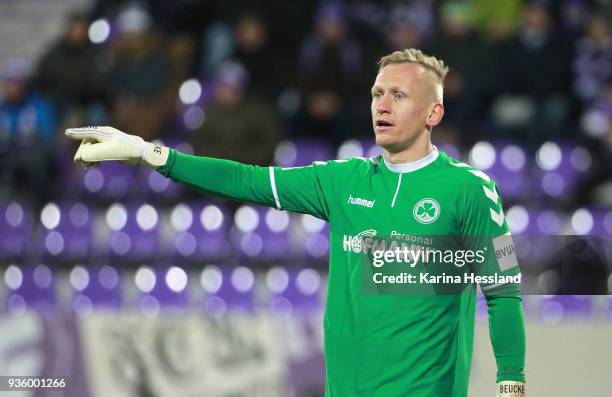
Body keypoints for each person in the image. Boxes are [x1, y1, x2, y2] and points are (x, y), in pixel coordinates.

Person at [65, 49, 526, 397]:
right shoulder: (342, 181)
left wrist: (512, 381)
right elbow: (246, 180)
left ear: (434, 113)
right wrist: (151, 153)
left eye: (399, 95)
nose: (382, 105)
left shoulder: (471, 190)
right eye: (377, 94)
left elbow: (503, 293)